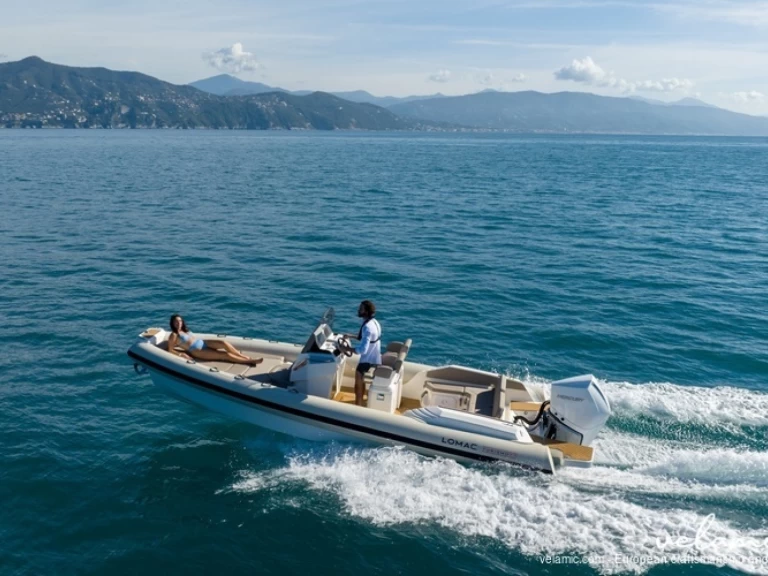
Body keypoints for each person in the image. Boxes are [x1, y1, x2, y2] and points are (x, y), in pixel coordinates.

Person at [167, 314, 263, 366]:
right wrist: (181, 354)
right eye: (176, 321)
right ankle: (250, 361)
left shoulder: (185, 331)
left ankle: (243, 356)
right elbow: (170, 350)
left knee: (223, 343)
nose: (178, 323)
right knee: (225, 355)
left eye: (180, 321)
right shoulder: (174, 335)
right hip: (197, 351)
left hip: (203, 343)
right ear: (173, 323)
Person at [343, 300, 382, 406]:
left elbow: (362, 350)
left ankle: (358, 404)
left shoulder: (367, 327)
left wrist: (347, 349)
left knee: (358, 380)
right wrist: (350, 336)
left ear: (366, 312)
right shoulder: (374, 322)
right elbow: (365, 338)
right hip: (375, 357)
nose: (358, 310)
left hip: (368, 360)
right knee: (361, 379)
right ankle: (360, 402)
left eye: (361, 309)